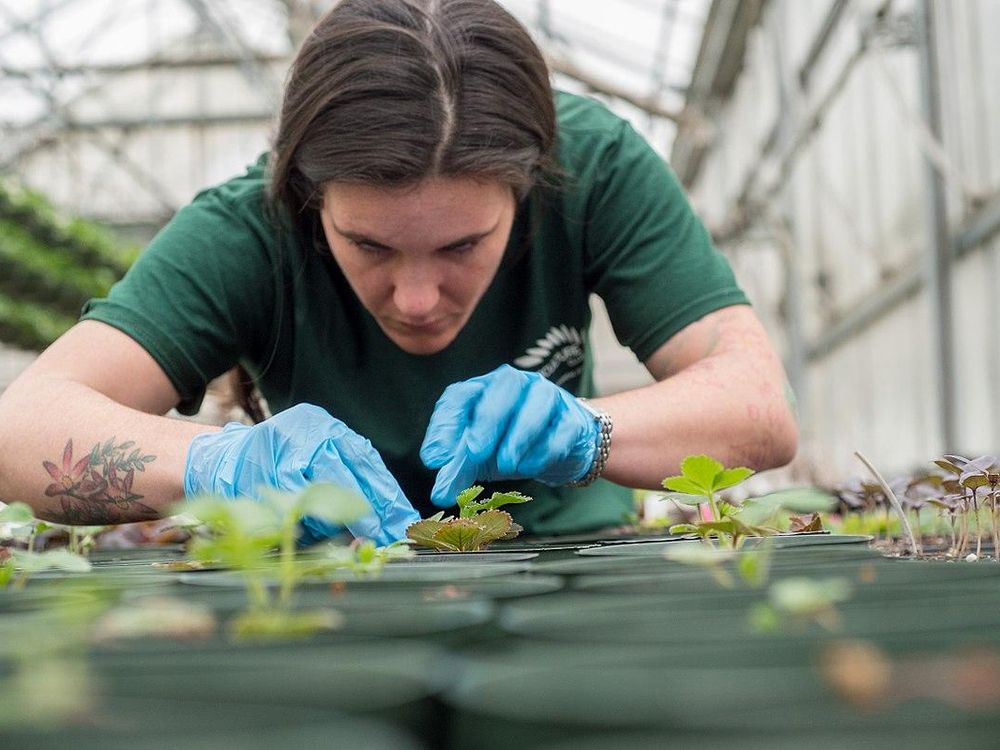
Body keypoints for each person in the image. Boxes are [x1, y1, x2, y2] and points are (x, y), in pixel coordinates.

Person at [0, 0, 798, 546]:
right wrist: (219, 463)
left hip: (572, 553)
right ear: (309, 201)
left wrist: (589, 432)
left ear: (528, 189)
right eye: (369, 245)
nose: (416, 301)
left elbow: (758, 406)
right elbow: (19, 431)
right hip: (328, 578)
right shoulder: (246, 227)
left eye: (463, 246)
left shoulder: (595, 166)